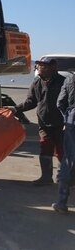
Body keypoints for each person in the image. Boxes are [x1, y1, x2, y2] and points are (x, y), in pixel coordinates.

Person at [8, 57, 65, 185]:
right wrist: (15, 109)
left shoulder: (64, 83)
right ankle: (46, 178)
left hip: (62, 124)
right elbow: (30, 102)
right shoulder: (36, 83)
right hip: (44, 124)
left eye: (44, 66)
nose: (40, 69)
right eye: (39, 66)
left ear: (53, 68)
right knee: (45, 149)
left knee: (63, 152)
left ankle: (68, 179)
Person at [52, 73, 75, 213]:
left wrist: (67, 117)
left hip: (72, 119)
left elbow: (60, 102)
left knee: (68, 159)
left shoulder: (70, 79)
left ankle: (61, 202)